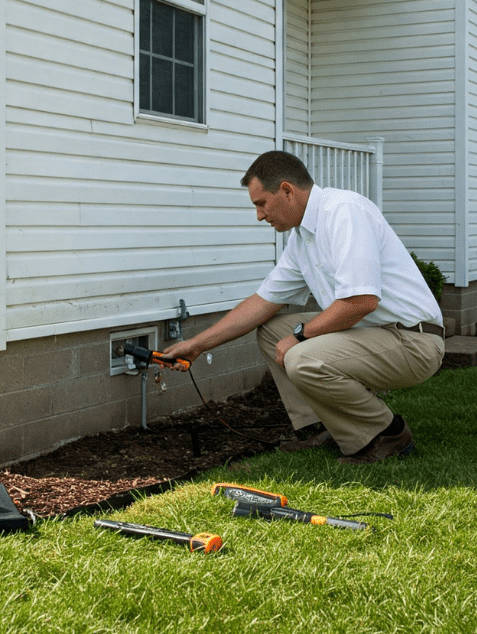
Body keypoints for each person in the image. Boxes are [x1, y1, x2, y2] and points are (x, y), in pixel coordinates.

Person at [163, 150, 445, 464]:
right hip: (374, 334)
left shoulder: (343, 212)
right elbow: (262, 303)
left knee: (300, 355)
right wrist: (196, 345)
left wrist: (300, 335)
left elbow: (361, 302)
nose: (259, 215)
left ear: (287, 190)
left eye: (261, 204)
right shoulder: (302, 239)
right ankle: (327, 426)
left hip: (413, 341)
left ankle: (388, 434)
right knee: (272, 332)